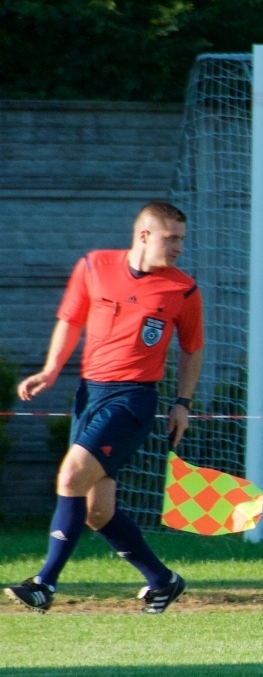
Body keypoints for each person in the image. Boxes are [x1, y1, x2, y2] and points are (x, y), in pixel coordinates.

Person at [4, 201, 204, 614]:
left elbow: (191, 349)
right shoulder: (94, 266)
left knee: (71, 475)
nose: (179, 247)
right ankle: (163, 581)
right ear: (145, 235)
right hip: (90, 395)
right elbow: (70, 319)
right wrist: (50, 371)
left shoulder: (182, 289)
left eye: (182, 239)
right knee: (98, 511)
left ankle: (44, 585)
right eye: (172, 238)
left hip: (133, 399)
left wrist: (182, 402)